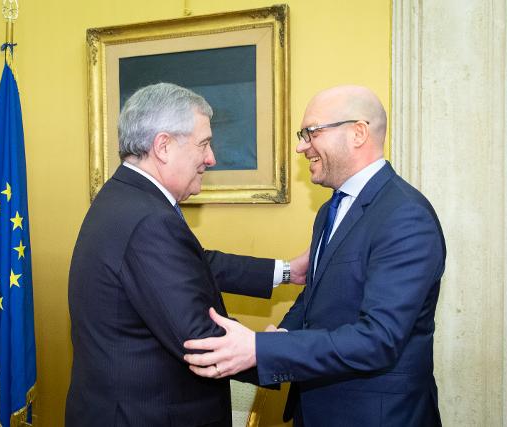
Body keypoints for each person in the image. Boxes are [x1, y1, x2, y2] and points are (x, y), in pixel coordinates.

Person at [184, 85, 446, 426]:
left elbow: (378, 339)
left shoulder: (405, 216)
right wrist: (282, 337)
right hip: (317, 409)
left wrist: (262, 350)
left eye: (312, 133)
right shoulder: (330, 209)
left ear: (358, 133)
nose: (301, 146)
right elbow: (315, 297)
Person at [65, 83, 307, 427]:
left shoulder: (125, 197)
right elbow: (202, 343)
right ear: (163, 146)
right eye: (204, 144)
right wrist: (278, 350)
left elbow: (193, 264)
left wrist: (287, 271)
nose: (211, 158)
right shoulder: (148, 219)